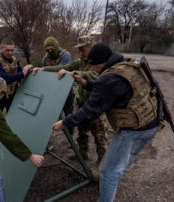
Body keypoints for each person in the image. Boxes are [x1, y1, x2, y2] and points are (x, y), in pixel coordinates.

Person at [52, 43, 160, 202]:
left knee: (108, 171)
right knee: (119, 165)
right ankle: (112, 181)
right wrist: (85, 82)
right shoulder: (126, 65)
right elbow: (112, 88)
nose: (93, 70)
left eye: (93, 66)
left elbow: (90, 110)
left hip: (132, 131)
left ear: (101, 63)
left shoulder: (109, 78)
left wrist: (65, 122)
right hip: (152, 123)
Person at [33, 35, 114, 181]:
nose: (81, 52)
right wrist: (43, 69)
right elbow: (63, 68)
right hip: (83, 103)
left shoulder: (100, 63)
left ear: (91, 47)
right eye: (80, 50)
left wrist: (75, 74)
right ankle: (83, 152)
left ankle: (102, 165)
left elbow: (94, 75)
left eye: (83, 49)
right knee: (82, 131)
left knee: (100, 136)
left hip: (96, 106)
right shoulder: (81, 62)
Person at [41, 36, 75, 135]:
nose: (50, 51)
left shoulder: (65, 55)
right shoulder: (45, 58)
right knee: (51, 114)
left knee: (69, 114)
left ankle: (71, 136)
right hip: (53, 90)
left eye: (52, 48)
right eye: (47, 49)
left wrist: (47, 70)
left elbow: (60, 71)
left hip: (67, 90)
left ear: (56, 46)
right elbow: (44, 75)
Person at [0, 38, 32, 112]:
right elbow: (2, 79)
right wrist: (22, 74)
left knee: (13, 115)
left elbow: (20, 72)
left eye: (12, 50)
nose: (10, 53)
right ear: (1, 48)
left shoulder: (14, 60)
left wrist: (30, 70)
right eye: (7, 50)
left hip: (12, 94)